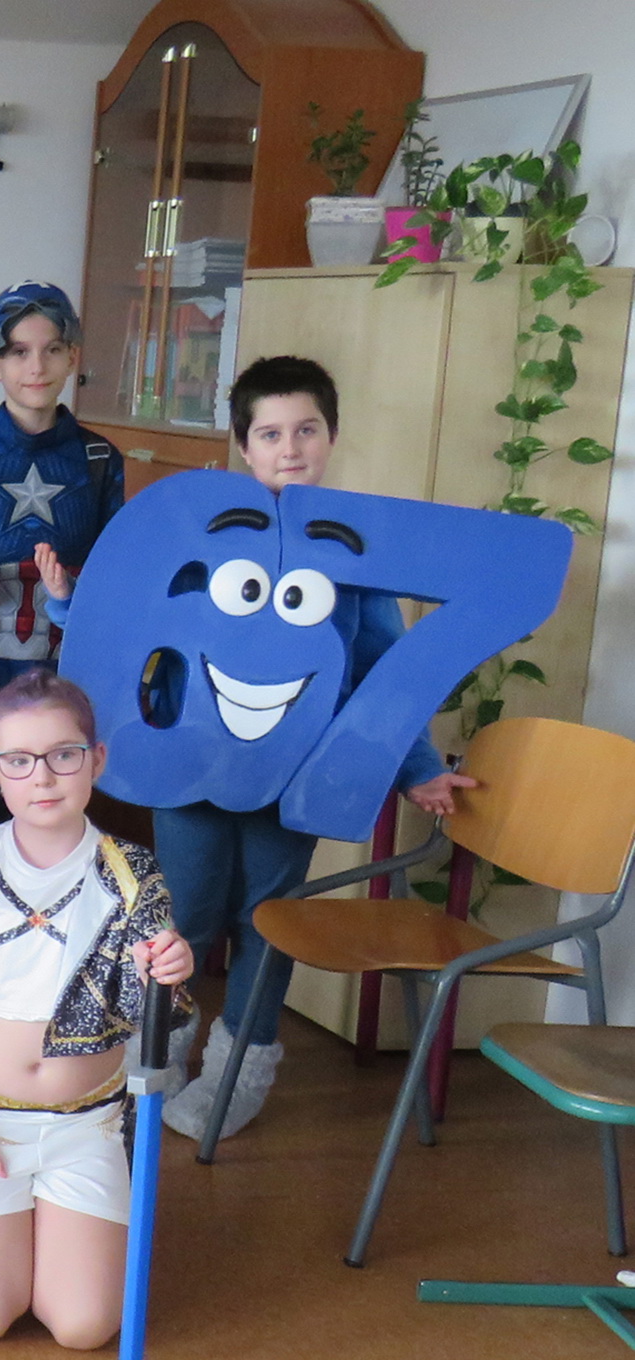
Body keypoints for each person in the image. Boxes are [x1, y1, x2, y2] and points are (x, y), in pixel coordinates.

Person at [157, 356, 473, 1141]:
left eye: (305, 430)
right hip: (193, 767)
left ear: (330, 436)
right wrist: (69, 606)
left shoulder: (349, 554)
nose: (289, 448)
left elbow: (380, 671)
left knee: (267, 921)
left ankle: (239, 1068)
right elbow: (143, 628)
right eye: (269, 434)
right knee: (184, 916)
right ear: (243, 446)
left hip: (292, 776)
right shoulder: (204, 534)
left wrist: (417, 767)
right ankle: (154, 1056)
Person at [0, 670, 193, 1347]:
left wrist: (165, 976)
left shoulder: (132, 873)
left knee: (84, 1326)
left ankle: (59, 1231)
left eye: (63, 755)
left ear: (96, 759)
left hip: (86, 1129)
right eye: (19, 761)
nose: (44, 778)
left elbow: (150, 1016)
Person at [0, 284, 126, 836]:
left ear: (73, 356)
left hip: (67, 671)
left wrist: (71, 597)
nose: (36, 366)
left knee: (56, 807)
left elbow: (117, 580)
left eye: (52, 349)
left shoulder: (98, 459)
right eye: (18, 351)